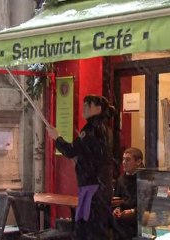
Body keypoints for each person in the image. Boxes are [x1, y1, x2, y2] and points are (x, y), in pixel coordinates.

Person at [46, 95, 115, 240]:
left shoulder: (92, 129)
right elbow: (93, 155)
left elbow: (71, 150)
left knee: (87, 230)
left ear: (97, 109)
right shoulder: (103, 129)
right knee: (95, 230)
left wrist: (57, 137)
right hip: (98, 187)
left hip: (93, 189)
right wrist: (81, 160)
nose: (83, 108)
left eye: (86, 105)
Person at [112, 147, 144, 240]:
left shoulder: (144, 179)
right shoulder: (120, 179)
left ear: (138, 162)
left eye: (128, 160)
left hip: (138, 220)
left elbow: (147, 204)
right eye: (123, 159)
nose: (124, 162)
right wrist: (117, 209)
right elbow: (117, 199)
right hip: (121, 220)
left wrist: (133, 211)